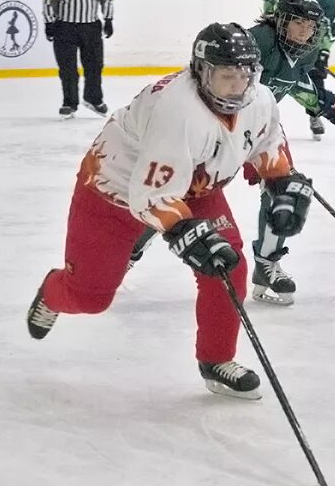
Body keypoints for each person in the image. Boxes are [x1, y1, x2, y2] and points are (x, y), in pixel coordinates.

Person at [26, 23, 316, 400]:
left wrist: (281, 181)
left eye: (244, 76)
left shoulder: (259, 100)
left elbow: (268, 143)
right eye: (226, 77)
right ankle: (53, 292)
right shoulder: (176, 109)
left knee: (229, 265)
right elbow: (150, 197)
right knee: (90, 298)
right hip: (112, 192)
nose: (237, 87)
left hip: (195, 186)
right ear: (201, 72)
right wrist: (185, 233)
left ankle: (216, 359)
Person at [127, 0, 335, 306]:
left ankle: (266, 263)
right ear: (281, 20)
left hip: (257, 126)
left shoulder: (302, 51)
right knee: (180, 192)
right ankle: (131, 246)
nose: (305, 31)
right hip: (215, 125)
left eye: (310, 25)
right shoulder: (258, 42)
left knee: (283, 189)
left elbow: (295, 82)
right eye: (298, 22)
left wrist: (325, 104)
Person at [262, 0, 335, 139]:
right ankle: (261, 115)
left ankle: (314, 116)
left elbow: (331, 32)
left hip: (311, 44)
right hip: (284, 39)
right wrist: (270, 18)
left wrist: (323, 54)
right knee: (274, 76)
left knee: (316, 78)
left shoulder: (330, 2)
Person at [42, 0, 114, 119]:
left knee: (95, 65)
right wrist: (49, 22)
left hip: (90, 25)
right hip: (65, 26)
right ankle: (69, 103)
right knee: (67, 68)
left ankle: (93, 98)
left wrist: (108, 18)